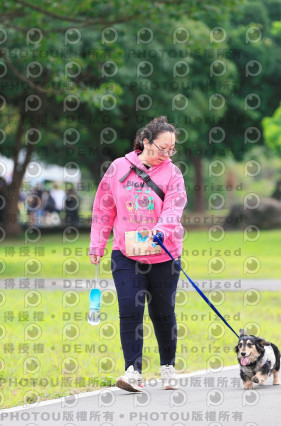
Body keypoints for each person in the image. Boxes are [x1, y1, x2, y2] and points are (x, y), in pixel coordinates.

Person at [89, 116, 187, 392]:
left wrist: (161, 231)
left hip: (164, 254)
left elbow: (174, 208)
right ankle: (133, 372)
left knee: (163, 312)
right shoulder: (118, 168)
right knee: (130, 311)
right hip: (126, 253)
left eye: (171, 149)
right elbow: (104, 208)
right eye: (162, 148)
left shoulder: (173, 174)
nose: (167, 154)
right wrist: (97, 245)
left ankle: (168, 368)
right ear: (145, 142)